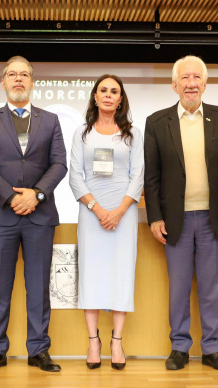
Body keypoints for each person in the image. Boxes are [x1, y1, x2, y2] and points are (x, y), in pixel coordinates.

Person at [144, 55, 218, 372]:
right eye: (184, 78)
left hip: (213, 217)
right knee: (180, 286)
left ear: (205, 83)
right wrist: (155, 216)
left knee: (212, 286)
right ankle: (180, 347)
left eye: (196, 77)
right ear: (174, 85)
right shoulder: (157, 122)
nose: (190, 83)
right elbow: (153, 176)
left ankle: (213, 348)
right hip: (176, 219)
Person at [0, 56, 68, 373]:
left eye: (24, 75)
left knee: (39, 288)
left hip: (40, 217)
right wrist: (11, 198)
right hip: (1, 216)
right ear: (3, 82)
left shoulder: (51, 120)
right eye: (12, 74)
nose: (18, 79)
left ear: (32, 81)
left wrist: (37, 195)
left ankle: (38, 350)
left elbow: (59, 164)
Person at [69, 75, 144, 370]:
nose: (109, 95)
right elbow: (75, 175)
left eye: (115, 91)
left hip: (123, 217)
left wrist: (118, 211)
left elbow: (137, 176)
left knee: (121, 275)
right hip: (91, 216)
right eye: (104, 91)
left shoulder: (133, 134)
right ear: (95, 97)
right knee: (91, 275)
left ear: (121, 99)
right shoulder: (82, 134)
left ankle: (116, 341)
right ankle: (93, 341)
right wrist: (98, 210)